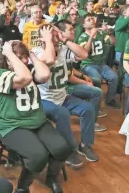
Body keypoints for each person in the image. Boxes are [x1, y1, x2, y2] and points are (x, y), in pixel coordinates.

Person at [0, 41, 71, 193]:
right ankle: (22, 188)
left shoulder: (29, 70)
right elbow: (24, 78)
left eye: (24, 57)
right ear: (8, 60)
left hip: (37, 121)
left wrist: (31, 54)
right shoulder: (1, 75)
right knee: (38, 155)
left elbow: (45, 74)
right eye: (18, 57)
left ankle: (51, 178)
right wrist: (10, 54)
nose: (23, 60)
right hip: (12, 126)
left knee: (62, 148)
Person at [33, 22, 100, 168]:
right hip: (44, 100)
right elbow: (49, 59)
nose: (55, 37)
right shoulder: (37, 52)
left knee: (88, 109)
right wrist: (48, 40)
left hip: (62, 96)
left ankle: (85, 145)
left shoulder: (62, 49)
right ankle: (68, 151)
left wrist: (65, 40)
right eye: (52, 35)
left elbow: (83, 54)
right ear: (43, 38)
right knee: (63, 114)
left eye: (56, 34)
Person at [78, 14, 121, 109]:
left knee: (114, 77)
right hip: (88, 64)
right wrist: (91, 36)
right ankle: (94, 104)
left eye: (92, 18)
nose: (92, 20)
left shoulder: (101, 34)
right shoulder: (82, 37)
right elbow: (85, 51)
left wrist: (110, 34)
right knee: (97, 79)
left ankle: (110, 100)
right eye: (88, 20)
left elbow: (113, 43)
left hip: (101, 64)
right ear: (84, 25)